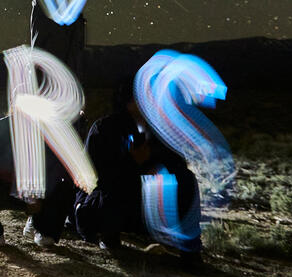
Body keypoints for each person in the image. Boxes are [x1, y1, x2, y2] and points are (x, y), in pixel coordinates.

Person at [74, 80, 203, 264]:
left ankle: (189, 250)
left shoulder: (161, 130)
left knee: (187, 179)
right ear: (129, 101)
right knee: (114, 187)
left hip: (151, 201)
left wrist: (156, 165)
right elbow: (91, 176)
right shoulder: (105, 129)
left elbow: (178, 164)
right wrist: (131, 163)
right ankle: (108, 235)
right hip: (113, 199)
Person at [0, 116, 76, 248]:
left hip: (41, 190)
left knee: (65, 188)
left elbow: (59, 169)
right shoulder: (0, 127)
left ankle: (43, 227)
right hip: (10, 187)